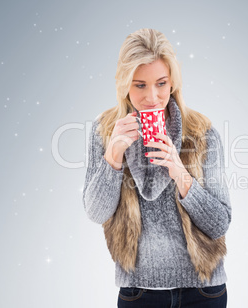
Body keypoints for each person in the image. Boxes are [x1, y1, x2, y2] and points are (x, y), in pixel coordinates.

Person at [82, 28, 232, 308]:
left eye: (161, 83)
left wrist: (181, 174)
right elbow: (96, 212)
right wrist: (114, 154)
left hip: (203, 292)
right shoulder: (104, 131)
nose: (152, 97)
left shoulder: (201, 133)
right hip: (138, 293)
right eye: (140, 85)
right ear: (124, 84)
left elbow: (219, 223)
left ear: (173, 82)